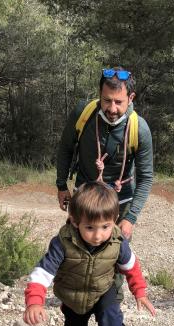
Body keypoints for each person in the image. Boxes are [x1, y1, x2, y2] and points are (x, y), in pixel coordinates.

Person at [23, 182, 156, 326]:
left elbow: (131, 266)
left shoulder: (118, 242)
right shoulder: (63, 243)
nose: (98, 235)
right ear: (76, 221)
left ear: (114, 219)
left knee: (111, 316)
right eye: (90, 228)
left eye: (105, 226)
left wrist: (140, 292)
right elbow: (42, 273)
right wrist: (34, 302)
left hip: (103, 288)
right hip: (72, 293)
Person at [55, 66, 153, 241]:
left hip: (120, 201)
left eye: (118, 102)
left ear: (131, 98)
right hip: (84, 195)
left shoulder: (140, 128)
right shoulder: (83, 113)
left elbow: (145, 177)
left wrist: (130, 218)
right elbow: (65, 148)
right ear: (100, 93)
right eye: (107, 100)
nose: (112, 109)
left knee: (116, 256)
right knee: (73, 249)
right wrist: (61, 185)